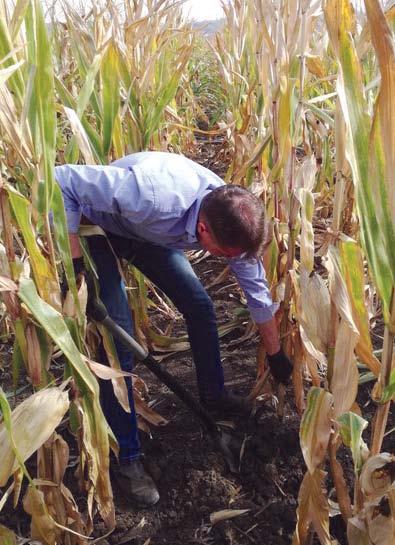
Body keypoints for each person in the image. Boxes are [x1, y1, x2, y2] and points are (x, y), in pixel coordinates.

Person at [55, 151, 292, 507]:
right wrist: (75, 268)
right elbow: (63, 180)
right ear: (203, 230)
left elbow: (258, 296)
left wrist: (276, 355)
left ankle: (213, 398)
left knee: (200, 306)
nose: (229, 261)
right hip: (96, 226)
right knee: (119, 339)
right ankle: (129, 459)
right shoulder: (149, 197)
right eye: (224, 254)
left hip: (147, 234)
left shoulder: (231, 219)